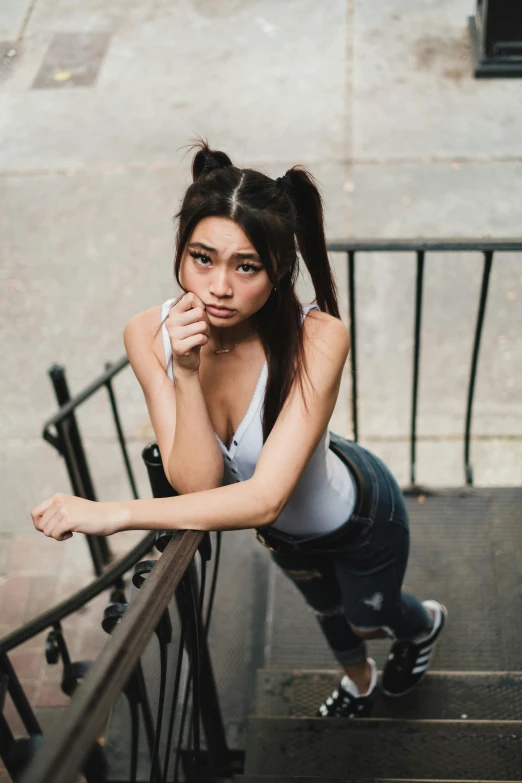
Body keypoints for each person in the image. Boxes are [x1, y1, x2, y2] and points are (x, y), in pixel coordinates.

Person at [30, 138, 447, 718]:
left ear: (277, 271)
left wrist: (115, 512)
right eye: (202, 258)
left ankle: (424, 624)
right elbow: (200, 484)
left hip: (358, 518)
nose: (218, 287)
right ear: (181, 251)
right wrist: (187, 371)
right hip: (287, 539)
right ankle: (359, 684)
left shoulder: (318, 338)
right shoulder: (149, 335)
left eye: (245, 266)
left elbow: (263, 499)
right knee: (326, 611)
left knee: (368, 617)